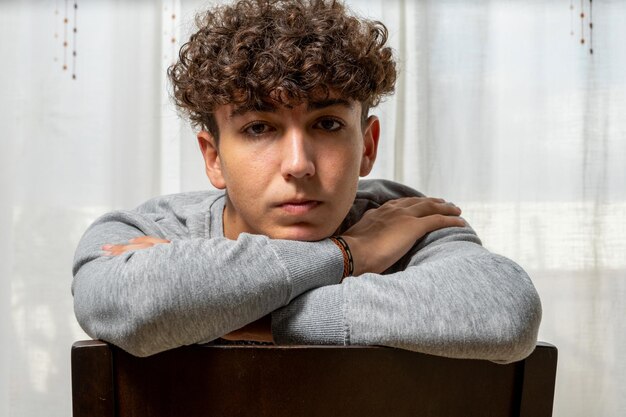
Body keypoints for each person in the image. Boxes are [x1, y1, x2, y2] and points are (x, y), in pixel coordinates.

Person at [72, 0, 541, 362]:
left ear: (368, 146)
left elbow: (506, 314)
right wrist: (348, 254)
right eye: (259, 128)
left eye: (328, 124)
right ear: (213, 158)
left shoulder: (403, 219)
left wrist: (234, 317)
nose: (298, 164)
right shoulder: (150, 228)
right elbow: (127, 306)